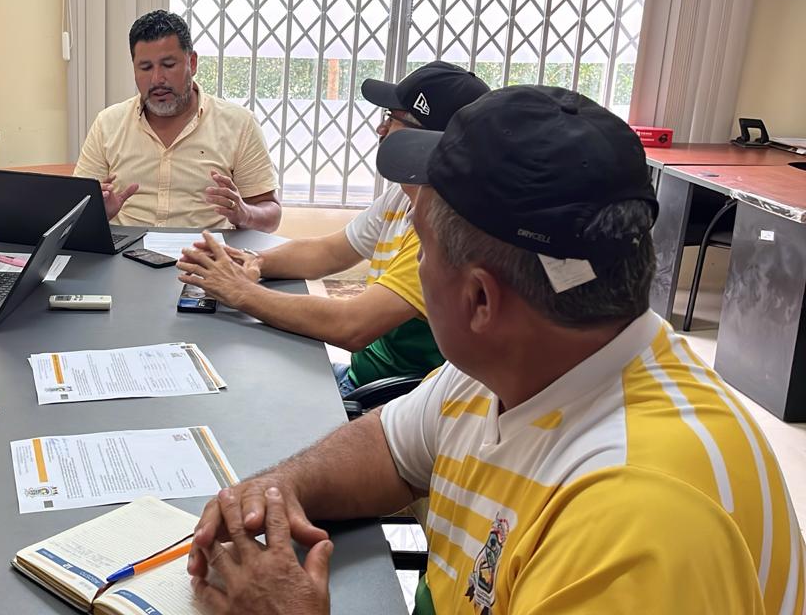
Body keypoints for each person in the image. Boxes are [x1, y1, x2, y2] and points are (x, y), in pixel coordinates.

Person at [185, 86, 804, 614]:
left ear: (480, 300)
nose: (415, 267)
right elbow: (389, 447)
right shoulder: (516, 364)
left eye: (423, 248)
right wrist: (272, 492)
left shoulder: (641, 523)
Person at [177, 62, 489, 396]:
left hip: (390, 400)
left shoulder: (447, 231)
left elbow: (351, 326)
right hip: (361, 376)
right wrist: (255, 261)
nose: (381, 129)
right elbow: (327, 252)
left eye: (392, 119)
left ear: (426, 140)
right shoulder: (404, 195)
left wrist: (242, 292)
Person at [73, 10, 282, 232]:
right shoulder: (108, 123)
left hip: (204, 250)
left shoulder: (239, 124)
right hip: (126, 249)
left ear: (192, 62)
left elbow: (271, 216)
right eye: (145, 68)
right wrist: (98, 214)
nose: (157, 79)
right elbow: (75, 210)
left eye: (168, 65)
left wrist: (244, 213)